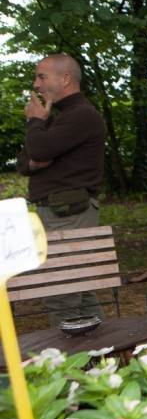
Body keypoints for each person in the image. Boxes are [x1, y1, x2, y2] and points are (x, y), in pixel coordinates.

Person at [16, 53, 105, 324]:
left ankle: (72, 352)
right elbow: (24, 161)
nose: (36, 84)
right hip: (60, 213)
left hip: (69, 213)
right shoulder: (62, 117)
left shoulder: (81, 115)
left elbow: (39, 149)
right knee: (78, 291)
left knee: (62, 292)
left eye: (41, 77)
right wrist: (36, 155)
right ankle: (104, 349)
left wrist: (35, 122)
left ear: (65, 78)